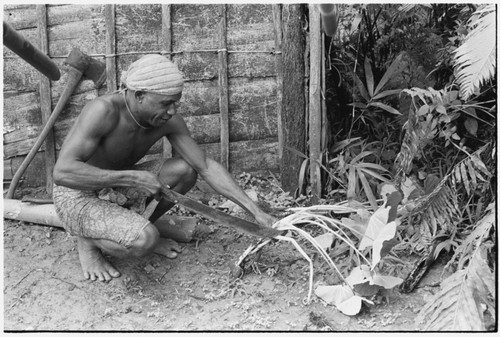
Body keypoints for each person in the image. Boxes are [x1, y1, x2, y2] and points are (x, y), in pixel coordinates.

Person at [53, 54, 276, 282]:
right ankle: (88, 241)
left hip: (116, 187)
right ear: (140, 95)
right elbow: (63, 173)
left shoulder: (168, 120)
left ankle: (133, 226)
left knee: (185, 171)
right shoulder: (103, 111)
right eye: (165, 103)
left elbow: (206, 166)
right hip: (77, 194)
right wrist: (132, 178)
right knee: (145, 241)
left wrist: (255, 211)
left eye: (175, 102)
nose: (172, 111)